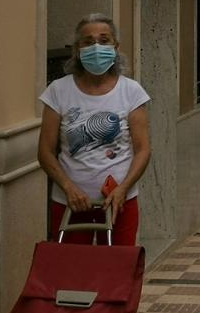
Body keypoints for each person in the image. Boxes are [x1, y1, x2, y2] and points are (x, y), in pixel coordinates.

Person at [38, 13, 151, 246]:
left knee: (118, 272)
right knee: (72, 271)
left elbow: (142, 150)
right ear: (77, 49)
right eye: (88, 42)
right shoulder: (59, 91)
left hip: (119, 202)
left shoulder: (131, 91)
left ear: (116, 47)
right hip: (70, 204)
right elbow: (45, 153)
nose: (96, 47)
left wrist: (123, 189)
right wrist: (69, 189)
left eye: (104, 40)